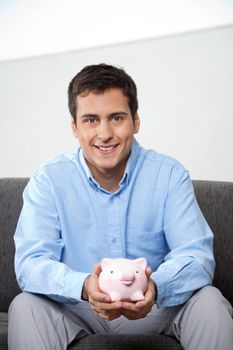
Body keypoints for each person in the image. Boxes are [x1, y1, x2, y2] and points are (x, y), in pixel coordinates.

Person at [8, 63, 233, 350]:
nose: (104, 133)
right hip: (78, 308)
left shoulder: (169, 175)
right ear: (74, 127)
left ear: (135, 121)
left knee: (210, 302)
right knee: (25, 306)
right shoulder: (49, 179)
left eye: (116, 118)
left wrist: (155, 287)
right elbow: (30, 263)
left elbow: (197, 257)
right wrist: (85, 286)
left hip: (155, 307)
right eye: (90, 120)